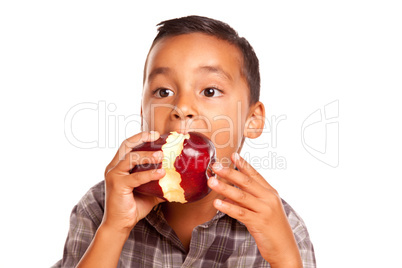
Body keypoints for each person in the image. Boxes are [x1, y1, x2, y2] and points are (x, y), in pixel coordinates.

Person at [53, 15, 316, 268]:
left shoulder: (283, 228)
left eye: (209, 91)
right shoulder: (101, 207)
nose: (182, 107)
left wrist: (285, 261)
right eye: (163, 91)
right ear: (143, 113)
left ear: (252, 119)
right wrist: (113, 228)